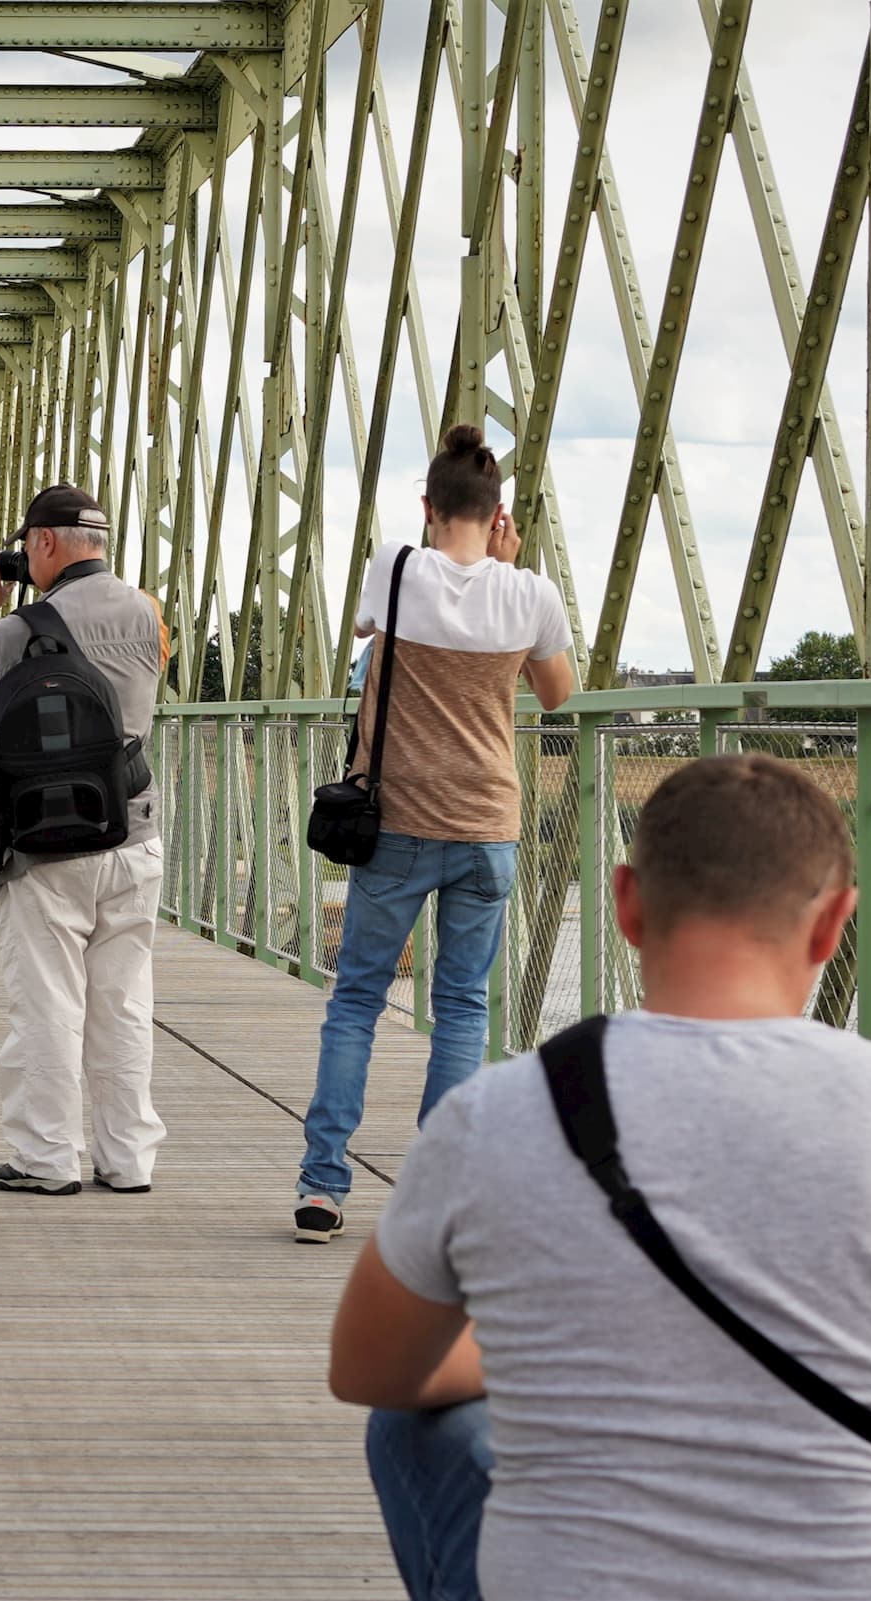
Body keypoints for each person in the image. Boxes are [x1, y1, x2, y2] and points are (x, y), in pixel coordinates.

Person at [329, 754, 871, 1601]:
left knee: (413, 1424)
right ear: (832, 927)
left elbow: (367, 1369)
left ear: (627, 903)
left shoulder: (498, 1112)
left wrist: (543, 1351)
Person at [296, 425, 576, 1245]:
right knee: (461, 1008)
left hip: (397, 825)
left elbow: (360, 638)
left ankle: (322, 1186)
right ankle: (438, 1192)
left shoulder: (397, 567)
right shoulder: (531, 594)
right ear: (498, 514)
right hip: (487, 825)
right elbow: (557, 694)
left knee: (355, 1000)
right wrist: (510, 567)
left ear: (428, 506)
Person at [0, 484, 171, 1196]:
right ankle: (127, 1160)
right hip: (132, 830)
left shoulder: (16, 631)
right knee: (123, 1002)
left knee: (48, 1003)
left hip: (44, 844)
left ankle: (46, 1157)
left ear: (43, 544)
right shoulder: (149, 614)